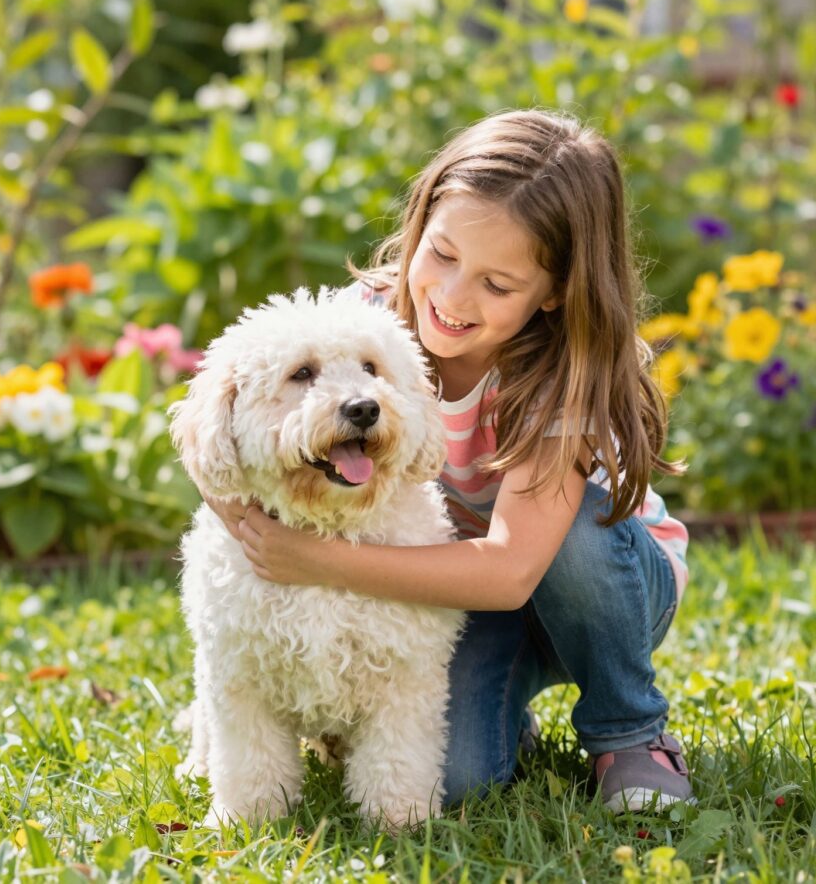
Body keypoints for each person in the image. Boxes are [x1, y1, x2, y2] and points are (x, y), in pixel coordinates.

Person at [207, 108, 694, 812]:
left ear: (556, 291)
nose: (453, 297)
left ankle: (631, 733)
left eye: (497, 286)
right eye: (442, 254)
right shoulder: (361, 328)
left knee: (580, 537)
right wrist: (248, 522)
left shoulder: (562, 378)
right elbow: (231, 426)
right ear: (422, 221)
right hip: (454, 586)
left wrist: (310, 558)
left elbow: (511, 570)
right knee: (458, 775)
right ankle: (500, 705)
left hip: (601, 592)